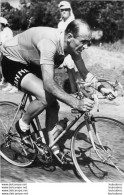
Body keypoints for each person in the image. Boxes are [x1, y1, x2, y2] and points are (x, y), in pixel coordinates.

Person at [1, 19, 115, 164]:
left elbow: (84, 72)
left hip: (32, 61)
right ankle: (22, 125)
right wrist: (76, 102)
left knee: (54, 104)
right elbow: (49, 84)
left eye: (89, 42)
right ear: (69, 37)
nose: (86, 46)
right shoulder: (49, 43)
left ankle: (52, 145)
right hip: (13, 61)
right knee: (45, 96)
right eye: (84, 41)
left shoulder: (73, 46)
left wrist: (101, 88)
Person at [58, 1, 83, 94]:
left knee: (77, 74)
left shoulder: (73, 22)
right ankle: (74, 93)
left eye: (66, 10)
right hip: (64, 52)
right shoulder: (60, 24)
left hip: (73, 51)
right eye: (62, 10)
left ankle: (82, 94)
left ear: (70, 10)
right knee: (69, 73)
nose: (64, 12)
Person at [0, 17, 18, 93]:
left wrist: (2, 43)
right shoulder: (2, 32)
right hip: (3, 52)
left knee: (11, 69)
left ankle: (15, 86)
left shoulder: (8, 31)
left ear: (2, 24)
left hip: (9, 52)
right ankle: (9, 84)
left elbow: (9, 42)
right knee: (6, 69)